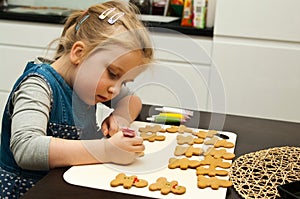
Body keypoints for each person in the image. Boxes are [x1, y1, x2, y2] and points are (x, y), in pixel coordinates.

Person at [0, 1, 153, 198]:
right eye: (113, 74)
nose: (115, 90)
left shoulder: (89, 84)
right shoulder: (38, 86)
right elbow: (27, 148)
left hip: (71, 186)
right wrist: (106, 150)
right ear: (79, 53)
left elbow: (132, 100)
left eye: (124, 81)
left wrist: (120, 118)